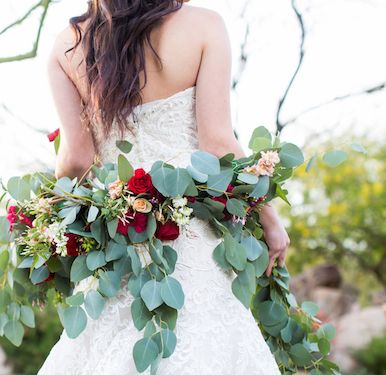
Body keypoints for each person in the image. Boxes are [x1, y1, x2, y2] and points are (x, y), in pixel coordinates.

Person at [40, 1, 289, 373]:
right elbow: (218, 144)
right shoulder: (204, 26)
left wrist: (47, 215)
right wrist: (270, 217)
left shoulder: (66, 46)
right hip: (192, 242)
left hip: (117, 242)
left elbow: (76, 160)